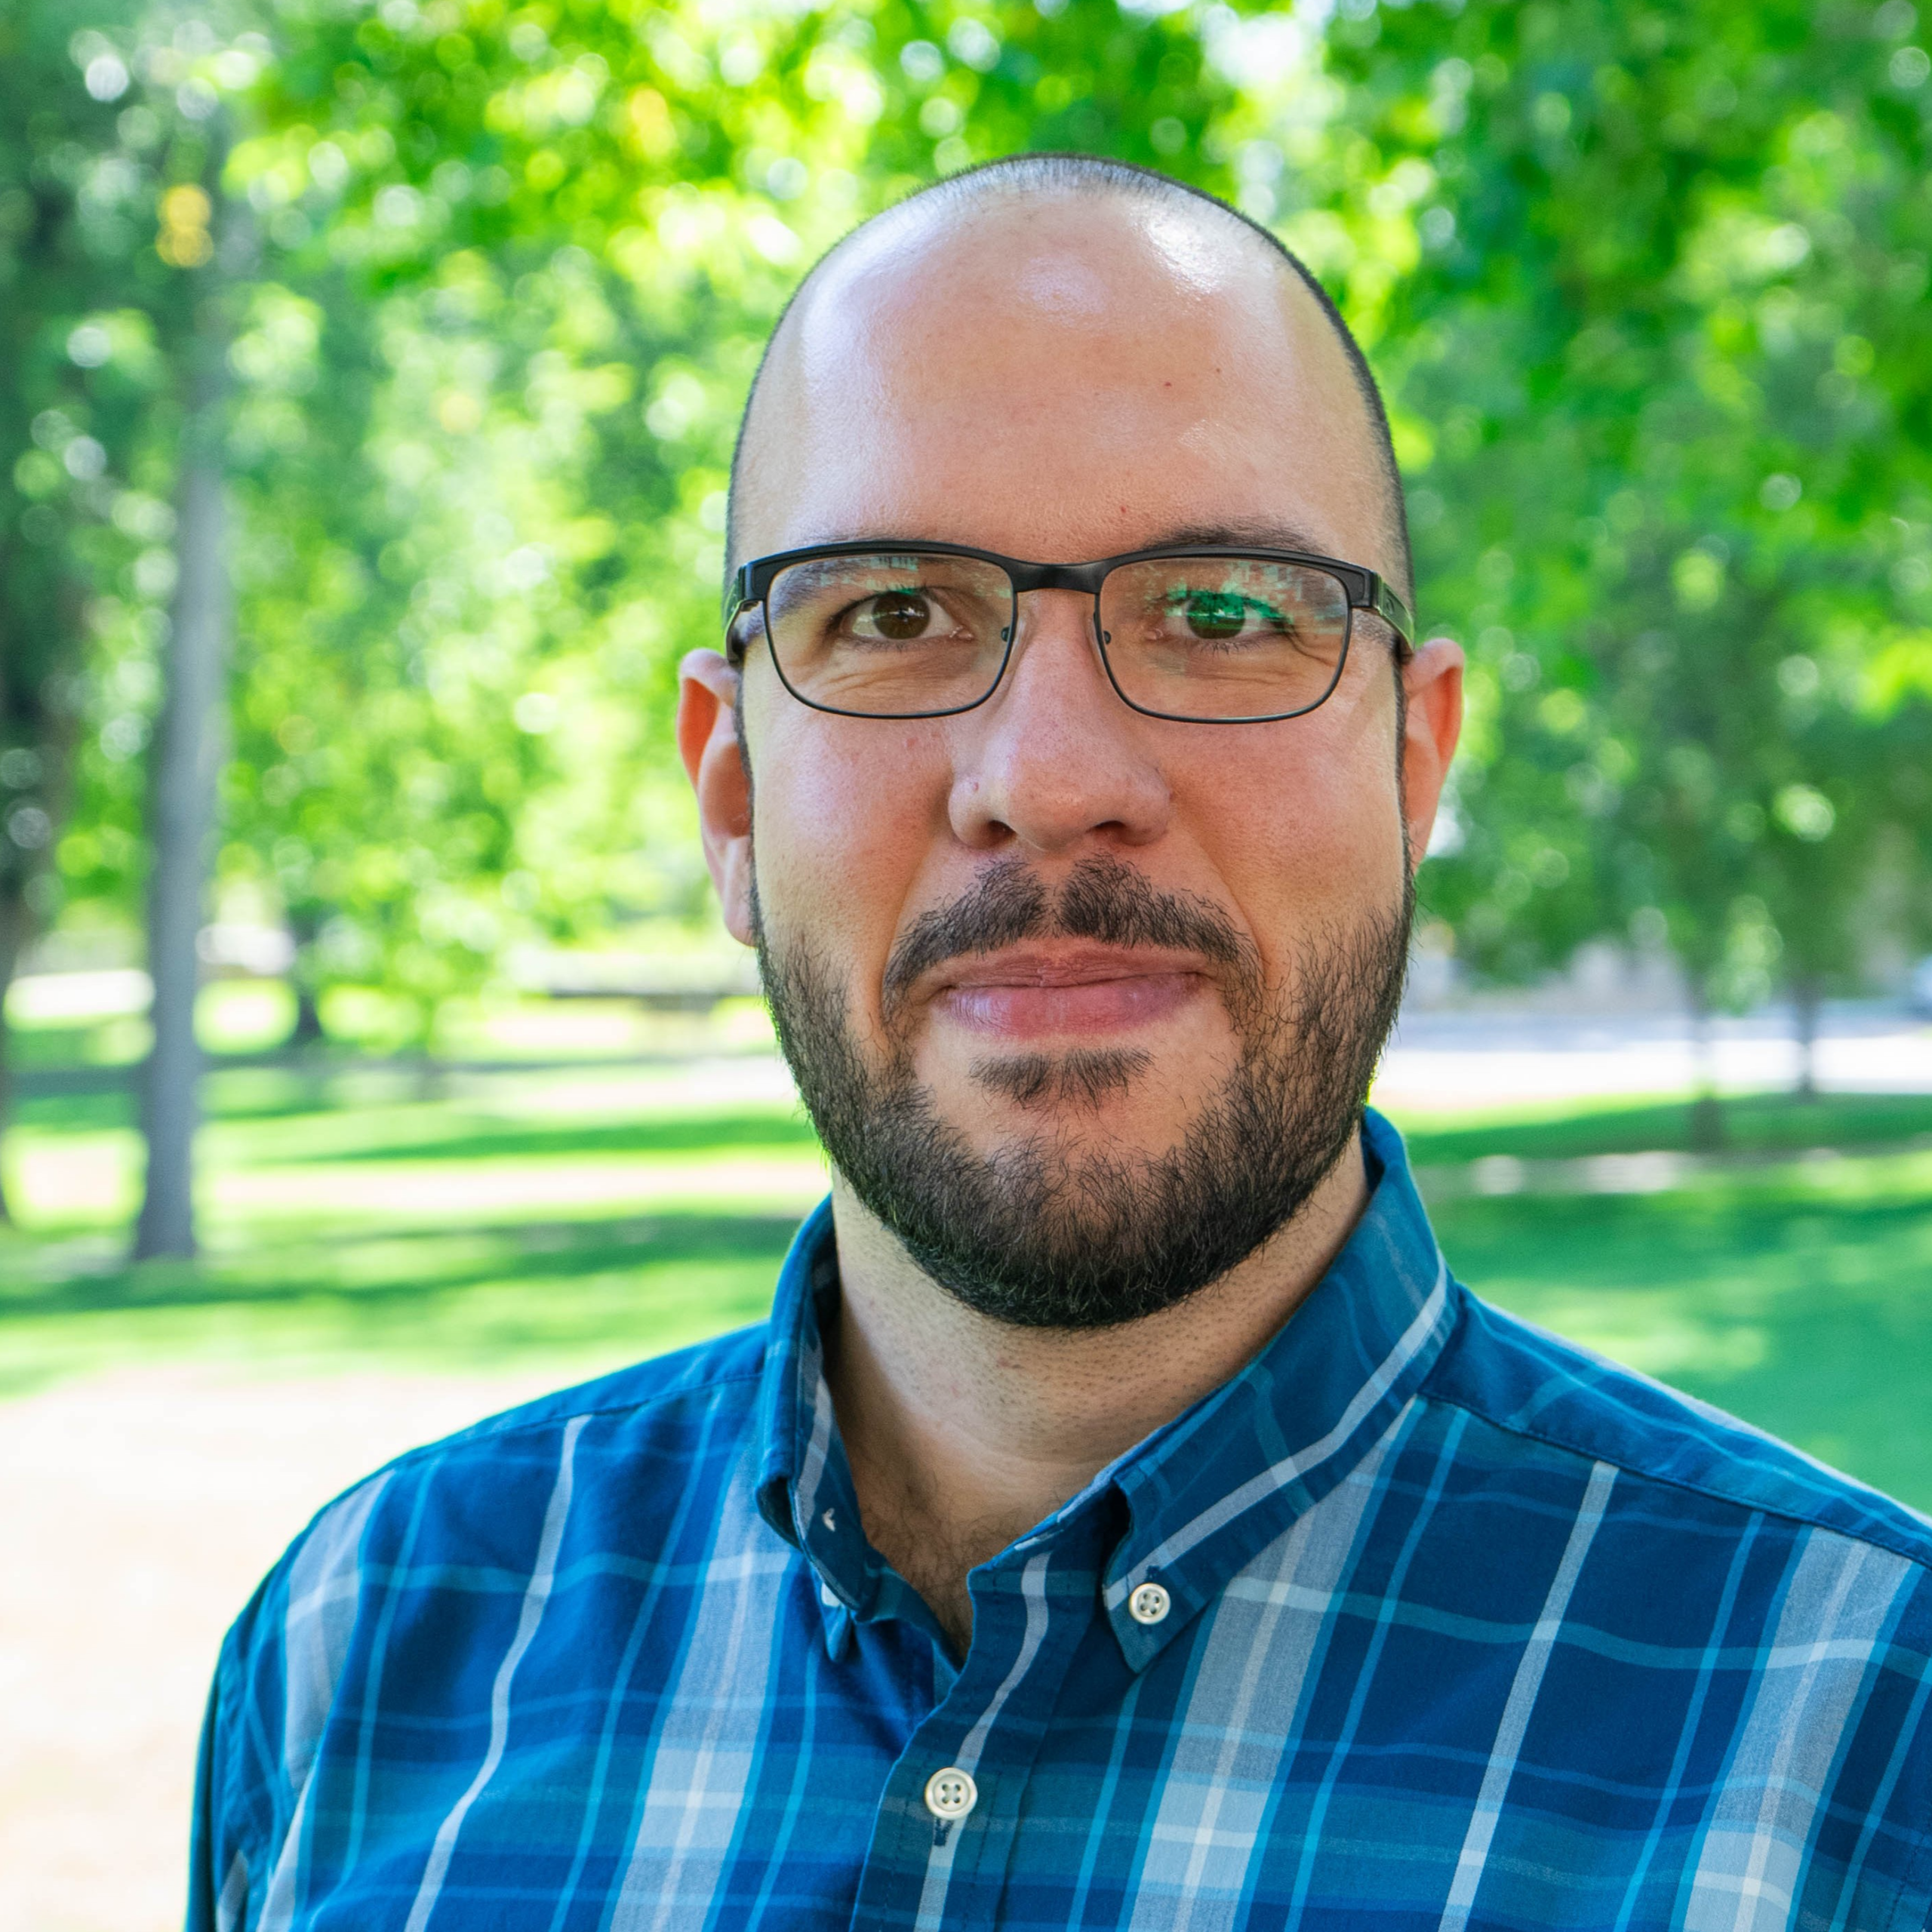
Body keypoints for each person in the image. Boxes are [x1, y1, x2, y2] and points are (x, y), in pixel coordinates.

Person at [187, 155, 1932, 1931]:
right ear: (728, 794)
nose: (1048, 781)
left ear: (1414, 762)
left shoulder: (1863, 1730)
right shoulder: (363, 1653)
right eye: (887, 613)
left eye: (1226, 610)